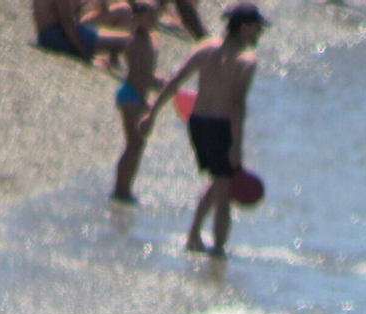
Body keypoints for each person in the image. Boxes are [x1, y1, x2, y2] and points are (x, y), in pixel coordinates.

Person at [144, 4, 267, 257]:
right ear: (244, 28)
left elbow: (175, 80)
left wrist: (152, 114)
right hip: (220, 127)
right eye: (258, 29)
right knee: (223, 195)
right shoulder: (246, 61)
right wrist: (236, 146)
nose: (260, 34)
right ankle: (218, 252)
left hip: (198, 123)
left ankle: (193, 235)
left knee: (219, 181)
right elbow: (237, 104)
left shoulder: (205, 48)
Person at [112, 3, 163, 201]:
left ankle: (126, 188)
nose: (153, 20)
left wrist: (156, 82)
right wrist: (155, 83)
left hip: (139, 96)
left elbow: (147, 73)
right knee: (134, 143)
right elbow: (140, 74)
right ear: (136, 18)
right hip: (130, 95)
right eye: (148, 16)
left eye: (154, 16)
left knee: (137, 145)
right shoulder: (135, 42)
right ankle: (120, 189)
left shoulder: (150, 40)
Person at [33, 0, 130, 61]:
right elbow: (67, 23)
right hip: (58, 36)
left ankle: (112, 61)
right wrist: (83, 52)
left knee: (123, 12)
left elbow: (70, 18)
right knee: (125, 41)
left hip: (53, 35)